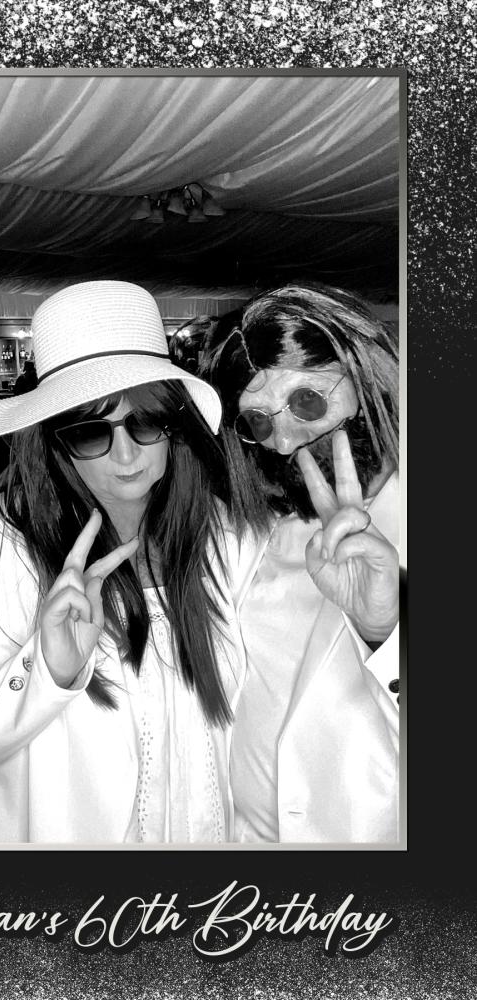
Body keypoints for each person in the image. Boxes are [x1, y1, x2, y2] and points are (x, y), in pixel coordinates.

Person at [0, 280, 260, 845]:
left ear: (174, 424)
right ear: (55, 439)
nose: (126, 454)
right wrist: (46, 669)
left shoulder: (221, 532)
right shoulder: (3, 538)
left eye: (145, 422)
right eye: (91, 431)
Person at [202, 281, 400, 844]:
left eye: (307, 402)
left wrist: (384, 632)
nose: (285, 443)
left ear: (367, 379)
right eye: (259, 422)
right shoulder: (248, 531)